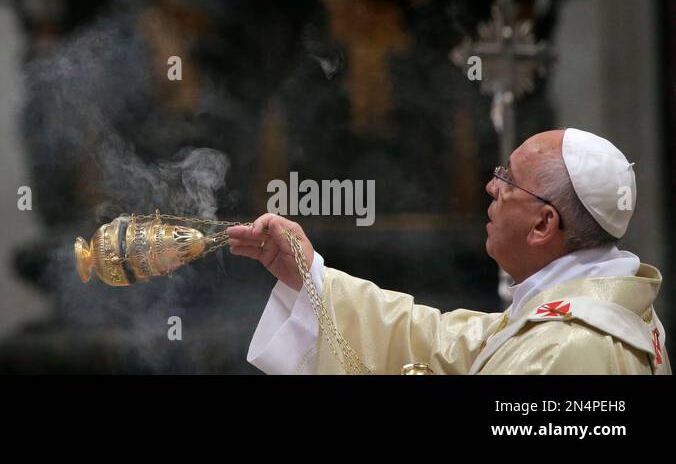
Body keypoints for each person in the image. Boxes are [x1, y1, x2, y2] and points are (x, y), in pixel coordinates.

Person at [230, 128, 668, 374]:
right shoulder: (589, 314)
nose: (490, 187)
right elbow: (444, 345)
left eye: (508, 180)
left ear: (543, 224)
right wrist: (311, 275)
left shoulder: (566, 349)